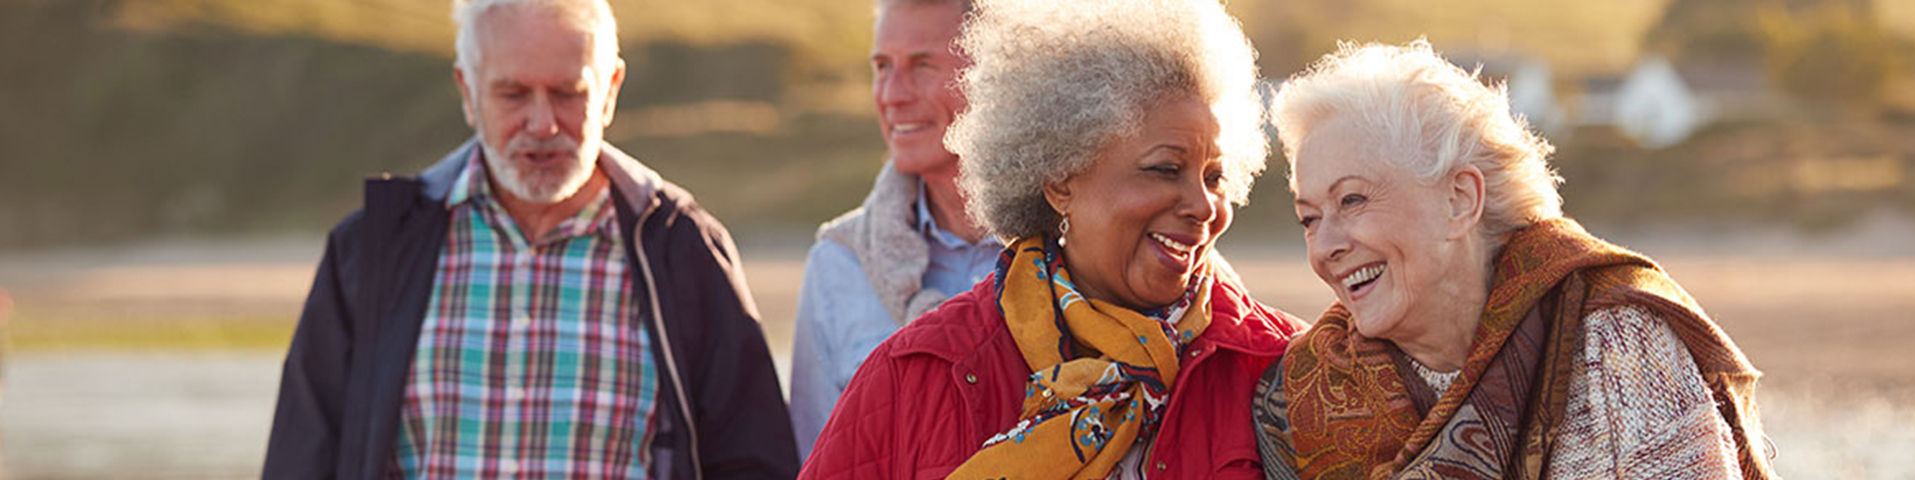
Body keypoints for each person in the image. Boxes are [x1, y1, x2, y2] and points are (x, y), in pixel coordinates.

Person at [261, 0, 797, 478]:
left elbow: (754, 463)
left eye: (568, 93)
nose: (542, 123)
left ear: (609, 90)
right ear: (468, 92)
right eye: (513, 93)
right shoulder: (373, 251)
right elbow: (301, 459)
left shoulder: (683, 249)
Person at [799, 0, 1306, 478]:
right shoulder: (916, 372)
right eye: (1165, 169)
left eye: (1215, 177)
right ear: (1061, 181)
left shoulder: (1282, 371)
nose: (1202, 205)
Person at [1252, 40, 1775, 480]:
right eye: (1309, 218)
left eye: (1352, 200)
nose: (1325, 247)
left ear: (1460, 199)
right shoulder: (1304, 389)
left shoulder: (1616, 343)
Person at [788, 0, 1002, 459]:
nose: (892, 94)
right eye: (882, 66)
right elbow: (818, 462)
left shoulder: (1081, 252)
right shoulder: (838, 265)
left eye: (923, 65)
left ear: (997, 74)